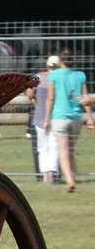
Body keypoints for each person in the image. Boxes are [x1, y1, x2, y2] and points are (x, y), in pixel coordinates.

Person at [44, 54, 92, 194]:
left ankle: (69, 180)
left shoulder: (54, 75)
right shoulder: (80, 75)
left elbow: (51, 97)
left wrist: (46, 118)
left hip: (60, 116)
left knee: (63, 151)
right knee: (71, 150)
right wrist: (90, 118)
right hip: (76, 117)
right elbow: (85, 99)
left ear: (61, 61)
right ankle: (73, 177)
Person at [30, 55, 61, 185]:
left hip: (39, 115)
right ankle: (52, 174)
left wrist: (35, 102)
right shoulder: (60, 78)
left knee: (42, 147)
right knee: (54, 146)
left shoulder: (39, 78)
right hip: (56, 116)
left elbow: (30, 93)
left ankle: (44, 175)